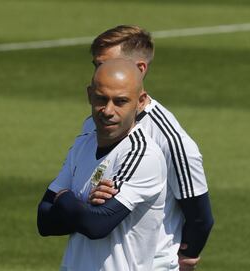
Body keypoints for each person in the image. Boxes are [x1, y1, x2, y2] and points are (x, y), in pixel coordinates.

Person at [83, 25, 214, 271]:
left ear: (139, 69)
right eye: (96, 65)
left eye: (105, 64)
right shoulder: (95, 122)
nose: (100, 73)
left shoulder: (169, 138)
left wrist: (186, 257)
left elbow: (200, 216)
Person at [37, 59, 167, 271]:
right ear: (89, 95)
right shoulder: (83, 144)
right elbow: (44, 221)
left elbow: (97, 225)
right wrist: (84, 205)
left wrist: (65, 198)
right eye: (101, 99)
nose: (107, 110)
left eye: (120, 101)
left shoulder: (141, 154)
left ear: (141, 101)